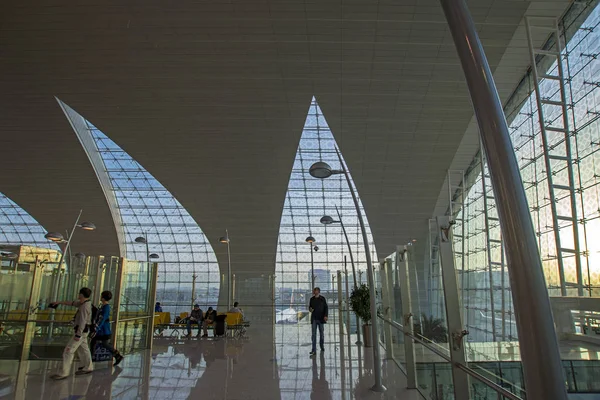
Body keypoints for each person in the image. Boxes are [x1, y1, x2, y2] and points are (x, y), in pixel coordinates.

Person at [49, 287, 94, 380]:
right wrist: (59, 302)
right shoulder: (84, 303)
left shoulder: (85, 307)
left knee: (68, 351)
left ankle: (63, 373)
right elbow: (72, 303)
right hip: (84, 332)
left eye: (79, 293)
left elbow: (82, 321)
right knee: (84, 349)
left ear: (81, 295)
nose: (78, 295)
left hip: (81, 331)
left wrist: (78, 334)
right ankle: (88, 366)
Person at [90, 291, 124, 366]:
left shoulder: (106, 307)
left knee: (101, 343)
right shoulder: (102, 306)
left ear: (103, 297)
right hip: (102, 330)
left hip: (103, 330)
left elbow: (102, 318)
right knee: (98, 343)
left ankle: (117, 355)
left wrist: (96, 328)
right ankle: (117, 355)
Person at [309, 287, 328, 357]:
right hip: (314, 318)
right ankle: (313, 349)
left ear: (318, 291)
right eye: (314, 290)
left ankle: (321, 346)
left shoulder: (322, 299)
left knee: (321, 334)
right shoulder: (311, 299)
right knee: (313, 335)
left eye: (315, 290)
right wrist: (310, 309)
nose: (314, 291)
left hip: (321, 319)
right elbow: (310, 308)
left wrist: (326, 316)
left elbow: (326, 307)